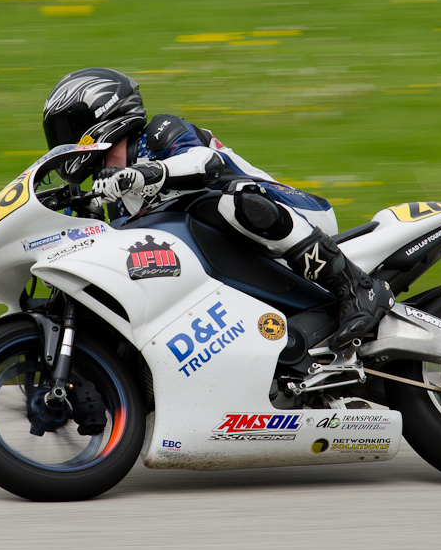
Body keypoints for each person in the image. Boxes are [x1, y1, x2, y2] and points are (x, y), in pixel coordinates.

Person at [42, 67, 394, 347]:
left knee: (233, 201)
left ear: (101, 116)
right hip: (241, 250)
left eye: (67, 130)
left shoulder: (159, 133)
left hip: (294, 213)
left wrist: (147, 172)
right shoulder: (115, 200)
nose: (62, 144)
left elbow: (204, 162)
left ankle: (357, 287)